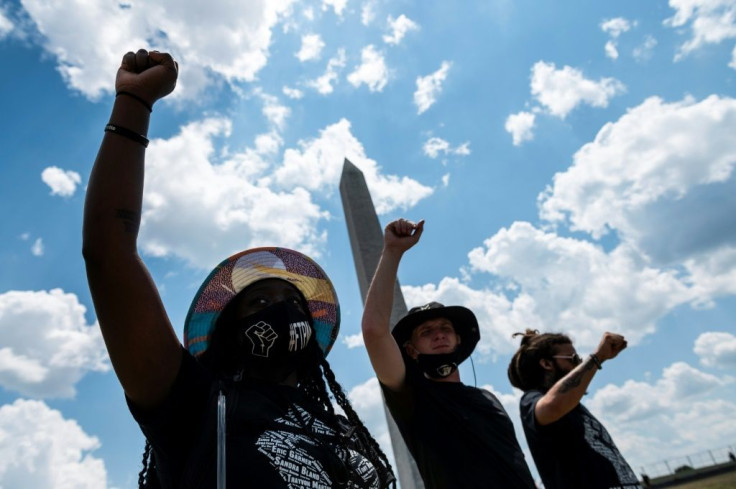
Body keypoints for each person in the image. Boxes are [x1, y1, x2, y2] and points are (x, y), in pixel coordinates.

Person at [83, 49, 395, 489]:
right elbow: (107, 252)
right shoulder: (194, 402)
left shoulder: (346, 433)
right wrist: (133, 105)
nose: (283, 310)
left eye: (293, 302)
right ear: (228, 328)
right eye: (261, 302)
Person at [361, 218, 536, 488]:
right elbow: (374, 331)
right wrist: (392, 252)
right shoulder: (410, 394)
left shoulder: (487, 398)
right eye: (426, 332)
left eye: (445, 328)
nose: (439, 334)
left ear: (458, 339)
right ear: (410, 349)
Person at [508, 329, 642, 489]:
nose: (579, 363)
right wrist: (597, 357)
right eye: (573, 358)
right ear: (547, 364)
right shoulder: (532, 399)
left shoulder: (575, 408)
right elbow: (552, 406)